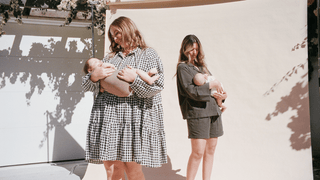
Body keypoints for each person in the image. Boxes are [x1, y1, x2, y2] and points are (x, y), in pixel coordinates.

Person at [82, 16, 167, 180]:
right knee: (113, 170)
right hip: (109, 120)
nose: (114, 38)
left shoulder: (148, 54)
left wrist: (133, 80)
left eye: (117, 33)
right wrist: (94, 77)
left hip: (133, 121)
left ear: (127, 29)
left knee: (133, 171)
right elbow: (88, 87)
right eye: (112, 35)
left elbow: (157, 86)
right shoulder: (109, 58)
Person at [176, 34, 225, 180]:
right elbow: (191, 91)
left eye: (196, 49)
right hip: (197, 113)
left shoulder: (203, 67)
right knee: (198, 152)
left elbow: (215, 86)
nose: (193, 52)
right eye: (190, 49)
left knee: (211, 150)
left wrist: (222, 96)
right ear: (184, 49)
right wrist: (211, 85)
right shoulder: (182, 68)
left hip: (214, 111)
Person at [83, 57, 160, 95]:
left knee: (135, 71)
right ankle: (147, 76)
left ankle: (147, 77)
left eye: (98, 60)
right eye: (95, 62)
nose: (99, 61)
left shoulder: (104, 65)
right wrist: (94, 76)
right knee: (136, 71)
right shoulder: (96, 75)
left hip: (128, 88)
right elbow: (86, 86)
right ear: (90, 70)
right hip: (125, 91)